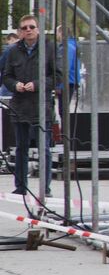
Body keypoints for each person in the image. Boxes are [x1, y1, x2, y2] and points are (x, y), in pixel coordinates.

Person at [2, 15, 57, 198]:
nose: (28, 30)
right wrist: (14, 85)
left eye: (31, 26)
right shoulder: (13, 51)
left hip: (41, 105)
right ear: (20, 31)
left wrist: (37, 84)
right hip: (19, 106)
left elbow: (57, 76)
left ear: (38, 29)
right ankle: (20, 187)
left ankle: (45, 187)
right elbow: (6, 75)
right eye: (24, 27)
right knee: (21, 148)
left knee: (44, 149)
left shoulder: (49, 49)